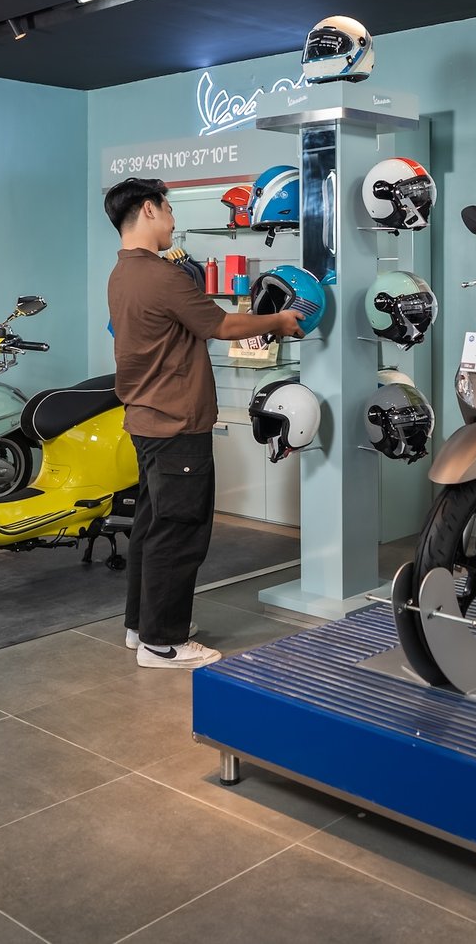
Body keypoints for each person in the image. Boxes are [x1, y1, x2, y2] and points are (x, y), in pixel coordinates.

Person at [104, 177, 303, 669]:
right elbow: (222, 325)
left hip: (147, 421)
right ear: (149, 210)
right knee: (179, 533)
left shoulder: (122, 272)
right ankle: (163, 643)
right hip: (177, 423)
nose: (173, 222)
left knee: (151, 528)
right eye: (169, 210)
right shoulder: (162, 275)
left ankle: (142, 627)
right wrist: (280, 321)